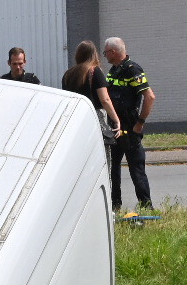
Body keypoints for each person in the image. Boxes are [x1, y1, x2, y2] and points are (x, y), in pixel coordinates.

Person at [102, 37, 155, 216]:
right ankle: (115, 206)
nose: (105, 55)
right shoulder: (113, 70)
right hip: (115, 128)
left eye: (106, 52)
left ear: (113, 52)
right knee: (113, 169)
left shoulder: (133, 70)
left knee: (136, 168)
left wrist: (140, 123)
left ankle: (146, 207)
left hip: (130, 127)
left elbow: (150, 97)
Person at [60, 41, 120, 148]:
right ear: (94, 54)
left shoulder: (67, 75)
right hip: (94, 119)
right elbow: (105, 99)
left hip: (76, 120)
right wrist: (116, 120)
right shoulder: (95, 71)